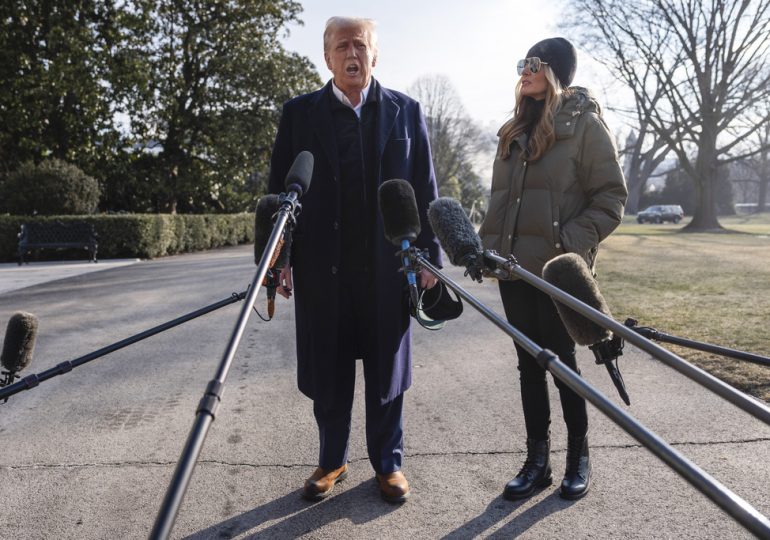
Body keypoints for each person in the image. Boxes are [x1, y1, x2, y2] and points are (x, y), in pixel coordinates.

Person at [267, 16, 440, 503]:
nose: (352, 53)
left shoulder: (407, 112)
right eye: (342, 45)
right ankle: (331, 459)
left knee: (387, 373)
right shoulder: (299, 113)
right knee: (330, 370)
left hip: (389, 268)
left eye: (360, 45)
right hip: (325, 267)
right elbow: (282, 191)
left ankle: (389, 464)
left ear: (374, 54)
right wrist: (278, 259)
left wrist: (431, 258)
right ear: (326, 57)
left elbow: (426, 189)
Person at [478, 37, 627, 501]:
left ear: (555, 72)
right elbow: (501, 203)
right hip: (514, 269)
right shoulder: (511, 131)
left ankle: (577, 456)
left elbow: (611, 199)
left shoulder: (585, 126)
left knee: (562, 363)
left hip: (559, 272)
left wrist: (569, 244)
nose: (523, 71)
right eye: (521, 63)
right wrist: (486, 250)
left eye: (534, 64)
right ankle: (536, 461)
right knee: (529, 364)